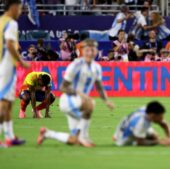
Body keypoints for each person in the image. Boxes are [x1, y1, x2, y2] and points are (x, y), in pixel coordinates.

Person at [37, 39, 114, 147]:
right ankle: (84, 137)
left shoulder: (96, 67)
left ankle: (47, 133)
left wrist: (106, 101)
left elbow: (99, 86)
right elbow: (63, 87)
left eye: (93, 50)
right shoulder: (76, 65)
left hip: (80, 103)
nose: (90, 53)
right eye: (87, 50)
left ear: (96, 51)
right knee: (90, 103)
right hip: (69, 101)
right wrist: (81, 95)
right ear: (82, 51)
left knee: (74, 141)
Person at [0, 0, 30, 147]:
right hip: (6, 66)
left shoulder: (1, 21)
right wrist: (22, 61)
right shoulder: (11, 23)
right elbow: (10, 45)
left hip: (2, 65)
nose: (20, 12)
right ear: (12, 7)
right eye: (19, 9)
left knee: (9, 103)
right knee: (4, 102)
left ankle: (10, 137)